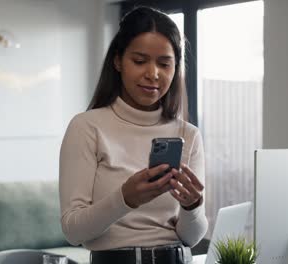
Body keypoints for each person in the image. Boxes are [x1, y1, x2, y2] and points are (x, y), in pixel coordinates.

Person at [59, 6, 208, 264]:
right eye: (139, 61)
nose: (153, 74)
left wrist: (192, 206)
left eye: (164, 64)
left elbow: (192, 238)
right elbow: (73, 230)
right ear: (118, 61)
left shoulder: (189, 134)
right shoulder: (87, 127)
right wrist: (125, 198)